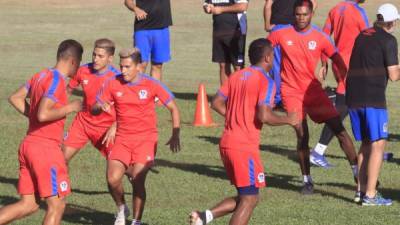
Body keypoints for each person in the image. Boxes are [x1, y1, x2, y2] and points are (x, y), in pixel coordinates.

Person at [189, 38, 297, 225]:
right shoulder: (266, 81)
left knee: (245, 195)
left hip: (227, 143)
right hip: (244, 147)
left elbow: (216, 102)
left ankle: (203, 217)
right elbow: (264, 115)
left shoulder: (237, 76)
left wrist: (234, 116)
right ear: (268, 58)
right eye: (273, 55)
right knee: (250, 199)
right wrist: (288, 119)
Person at [267, 0, 358, 194]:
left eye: (305, 15)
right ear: (294, 14)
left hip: (314, 91)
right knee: (302, 135)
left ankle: (358, 174)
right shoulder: (281, 33)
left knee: (340, 130)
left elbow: (337, 59)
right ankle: (307, 180)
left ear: (311, 14)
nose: (301, 18)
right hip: (291, 92)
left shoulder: (320, 37)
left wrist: (345, 80)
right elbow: (263, 51)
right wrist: (260, 77)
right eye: (298, 15)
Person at [93, 48, 181, 225]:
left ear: (139, 67)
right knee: (112, 178)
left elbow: (173, 107)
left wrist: (175, 133)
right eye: (121, 66)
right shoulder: (112, 83)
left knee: (137, 179)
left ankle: (136, 221)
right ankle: (121, 208)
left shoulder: (152, 84)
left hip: (145, 140)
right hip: (122, 139)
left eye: (127, 67)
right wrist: (99, 107)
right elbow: (94, 107)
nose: (123, 71)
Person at [0, 40, 83, 225]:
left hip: (29, 145)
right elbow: (44, 113)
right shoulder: (58, 81)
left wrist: (33, 116)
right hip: (45, 150)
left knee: (28, 204)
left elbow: (15, 97)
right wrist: (71, 107)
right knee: (57, 205)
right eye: (78, 63)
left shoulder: (40, 75)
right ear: (72, 61)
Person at [62, 39, 130, 224]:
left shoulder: (118, 78)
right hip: (83, 123)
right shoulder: (83, 70)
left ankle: (122, 209)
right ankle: (60, 202)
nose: (95, 58)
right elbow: (68, 89)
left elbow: (126, 108)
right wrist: (56, 106)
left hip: (108, 129)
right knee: (61, 159)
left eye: (100, 56)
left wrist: (115, 126)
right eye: (94, 54)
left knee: (114, 178)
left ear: (110, 58)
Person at [346, 3, 400, 206]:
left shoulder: (363, 35)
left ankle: (359, 192)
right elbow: (394, 75)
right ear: (391, 21)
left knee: (367, 144)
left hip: (353, 97)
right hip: (373, 99)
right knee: (378, 144)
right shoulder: (388, 40)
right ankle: (370, 195)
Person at [310, 0, 369, 168]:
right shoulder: (359, 12)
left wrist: (324, 62)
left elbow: (324, 35)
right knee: (342, 108)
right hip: (352, 66)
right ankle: (318, 151)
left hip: (338, 62)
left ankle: (372, 147)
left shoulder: (335, 9)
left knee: (359, 105)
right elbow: (368, 39)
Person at [263, 0, 317, 106]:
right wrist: (304, 21)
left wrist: (267, 25)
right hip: (295, 28)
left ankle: (280, 99)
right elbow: (313, 3)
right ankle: (300, 96)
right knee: (296, 63)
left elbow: (268, 5)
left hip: (279, 28)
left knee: (277, 65)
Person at [124, 0, 172, 81]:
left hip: (161, 28)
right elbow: (128, 1)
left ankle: (154, 92)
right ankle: (137, 91)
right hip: (142, 28)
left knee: (157, 65)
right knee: (141, 64)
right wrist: (136, 9)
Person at [203, 0, 249, 85]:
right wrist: (207, 8)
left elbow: (243, 6)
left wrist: (221, 9)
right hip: (218, 30)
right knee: (223, 65)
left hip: (236, 31)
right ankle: (225, 96)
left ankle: (240, 96)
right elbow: (206, 3)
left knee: (238, 66)